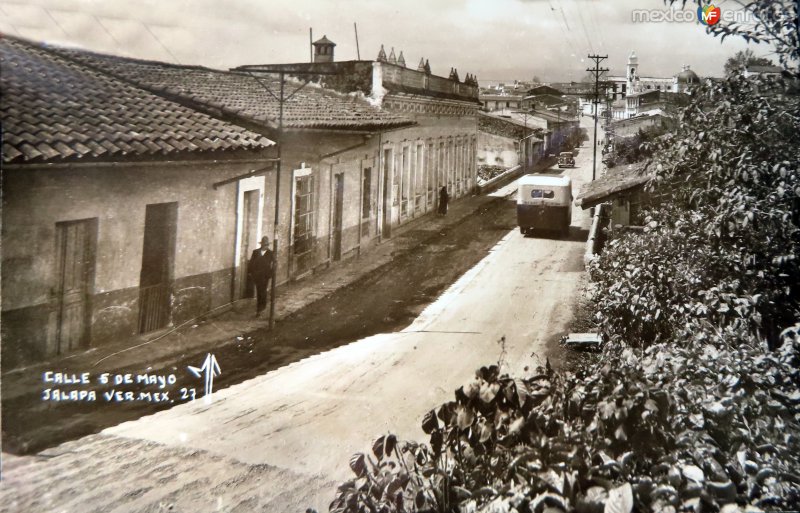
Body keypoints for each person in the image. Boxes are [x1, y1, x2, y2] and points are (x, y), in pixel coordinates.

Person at [248, 235, 274, 317]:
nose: (266, 246)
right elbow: (251, 263)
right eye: (264, 244)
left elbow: (274, 264)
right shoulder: (255, 252)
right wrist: (250, 272)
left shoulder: (270, 253)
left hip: (265, 276)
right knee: (260, 291)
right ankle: (261, 307)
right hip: (257, 276)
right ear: (261, 244)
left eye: (267, 245)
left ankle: (260, 308)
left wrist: (271, 274)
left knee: (262, 291)